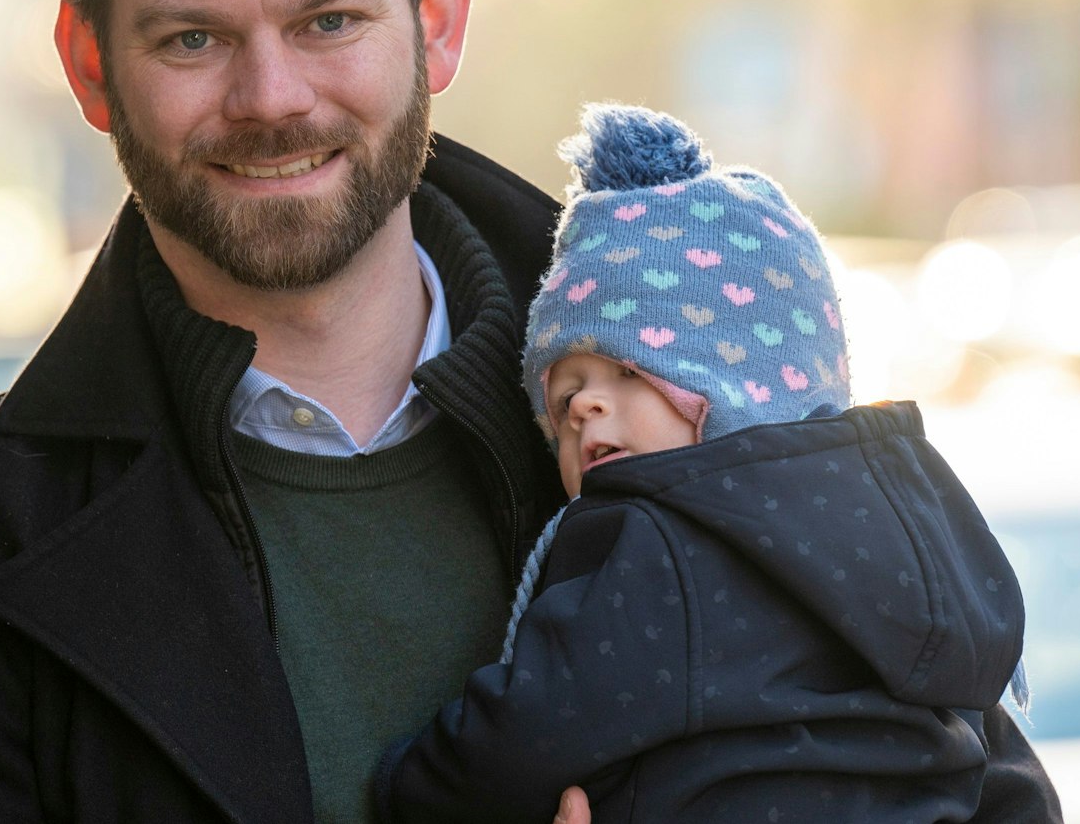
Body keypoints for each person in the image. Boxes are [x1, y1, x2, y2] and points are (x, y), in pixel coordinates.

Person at [0, 0, 1060, 824]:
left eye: (327, 23)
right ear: (91, 67)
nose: (271, 99)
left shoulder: (719, 416)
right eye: (191, 39)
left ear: (438, 21)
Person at [374, 104, 1044, 822]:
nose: (583, 408)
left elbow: (525, 734)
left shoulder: (659, 549)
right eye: (565, 391)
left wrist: (409, 785)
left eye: (629, 372)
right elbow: (1010, 780)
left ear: (743, 383)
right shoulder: (912, 534)